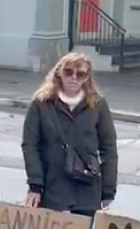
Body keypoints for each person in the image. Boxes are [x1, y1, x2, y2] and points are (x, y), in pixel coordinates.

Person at [21, 52, 117, 216]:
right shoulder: (41, 103)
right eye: (68, 72)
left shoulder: (97, 105)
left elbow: (108, 149)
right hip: (52, 187)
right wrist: (35, 185)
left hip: (86, 187)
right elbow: (30, 145)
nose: (74, 78)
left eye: (81, 74)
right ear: (59, 72)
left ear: (87, 77)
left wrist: (108, 190)